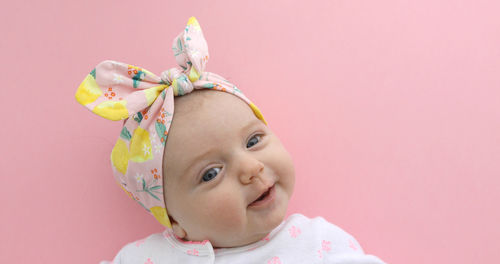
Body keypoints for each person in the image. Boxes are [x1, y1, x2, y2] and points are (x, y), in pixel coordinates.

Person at [76, 16, 386, 264]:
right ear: (172, 219)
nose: (251, 167)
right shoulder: (143, 259)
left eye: (253, 140)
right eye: (211, 173)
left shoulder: (317, 245)